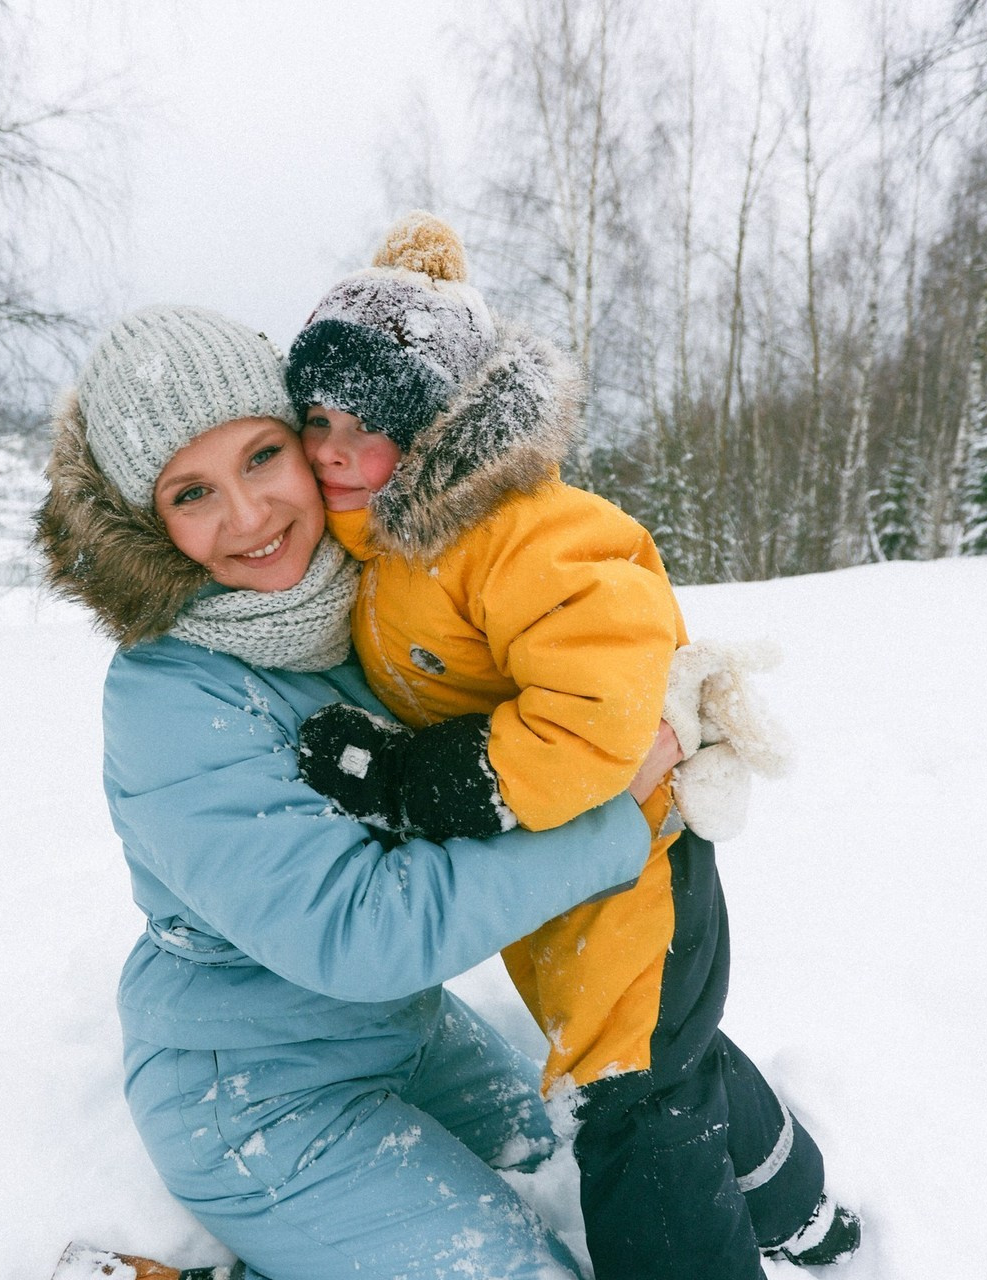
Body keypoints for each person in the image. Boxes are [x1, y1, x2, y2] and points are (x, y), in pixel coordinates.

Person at [34, 303, 676, 1280]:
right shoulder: (168, 697)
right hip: (250, 1090)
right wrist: (607, 819)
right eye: (192, 491)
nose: (246, 515)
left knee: (579, 1167)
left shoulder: (371, 598)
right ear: (146, 524)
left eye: (260, 457)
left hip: (402, 1035)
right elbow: (357, 930)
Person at [285, 212, 861, 1280]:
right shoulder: (377, 543)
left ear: (428, 428)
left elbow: (595, 710)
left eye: (360, 421)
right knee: (663, 1060)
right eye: (312, 417)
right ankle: (804, 1206)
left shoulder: (521, 528)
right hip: (562, 879)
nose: (328, 446)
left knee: (637, 1115)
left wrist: (416, 780)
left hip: (638, 869)